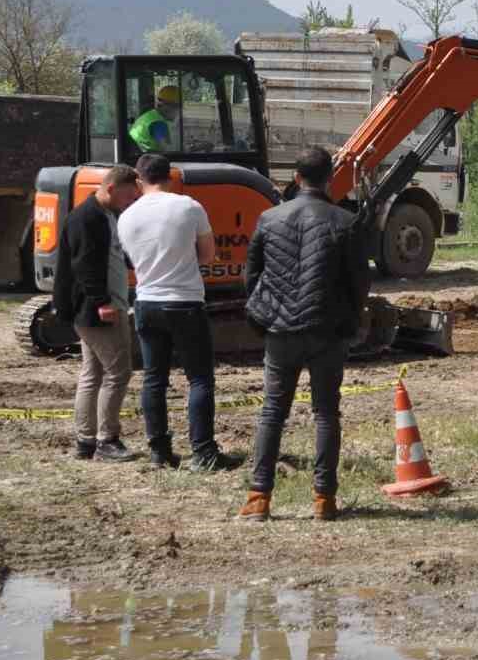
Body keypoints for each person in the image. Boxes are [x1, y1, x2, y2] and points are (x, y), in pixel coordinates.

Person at [238, 148, 371, 522]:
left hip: (279, 332)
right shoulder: (345, 222)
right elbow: (360, 282)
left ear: (296, 178)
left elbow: (251, 275)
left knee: (272, 413)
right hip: (327, 331)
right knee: (326, 414)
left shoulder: (269, 218)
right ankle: (323, 500)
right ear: (330, 179)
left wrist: (262, 312)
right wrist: (353, 318)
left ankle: (259, 497)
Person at [117, 152, 234, 471]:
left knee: (154, 378)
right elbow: (208, 255)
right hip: (185, 301)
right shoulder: (188, 206)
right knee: (199, 378)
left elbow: (132, 260)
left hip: (146, 302)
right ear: (170, 176)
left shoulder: (127, 216)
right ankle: (203, 452)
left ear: (139, 180)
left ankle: (159, 451)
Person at [52, 164, 142, 462]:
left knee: (93, 373)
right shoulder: (87, 218)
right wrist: (102, 302)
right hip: (99, 310)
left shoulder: (106, 214)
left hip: (98, 306)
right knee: (119, 372)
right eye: (128, 198)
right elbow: (85, 265)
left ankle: (85, 441)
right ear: (112, 189)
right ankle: (107, 440)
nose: (130, 204)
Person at [129, 85, 182, 153]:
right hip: (145, 158)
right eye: (178, 108)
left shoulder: (151, 115)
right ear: (168, 106)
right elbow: (167, 150)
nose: (178, 113)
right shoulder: (158, 123)